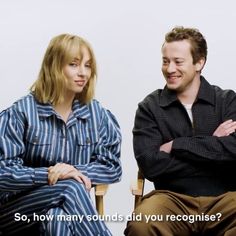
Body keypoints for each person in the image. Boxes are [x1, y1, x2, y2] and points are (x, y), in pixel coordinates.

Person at [0, 34, 122, 235]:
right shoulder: (21, 112)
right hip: (16, 212)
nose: (83, 73)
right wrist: (49, 174)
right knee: (70, 187)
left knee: (57, 218)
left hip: (66, 210)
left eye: (88, 65)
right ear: (54, 67)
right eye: (74, 64)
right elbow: (3, 174)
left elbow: (111, 167)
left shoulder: (96, 114)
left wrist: (70, 170)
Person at [125, 26, 236, 236]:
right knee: (142, 223)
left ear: (199, 63)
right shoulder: (150, 107)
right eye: (165, 61)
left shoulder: (227, 101)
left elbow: (234, 150)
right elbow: (150, 164)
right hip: (171, 199)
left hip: (226, 199)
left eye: (178, 61)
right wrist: (212, 149)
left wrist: (177, 145)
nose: (169, 69)